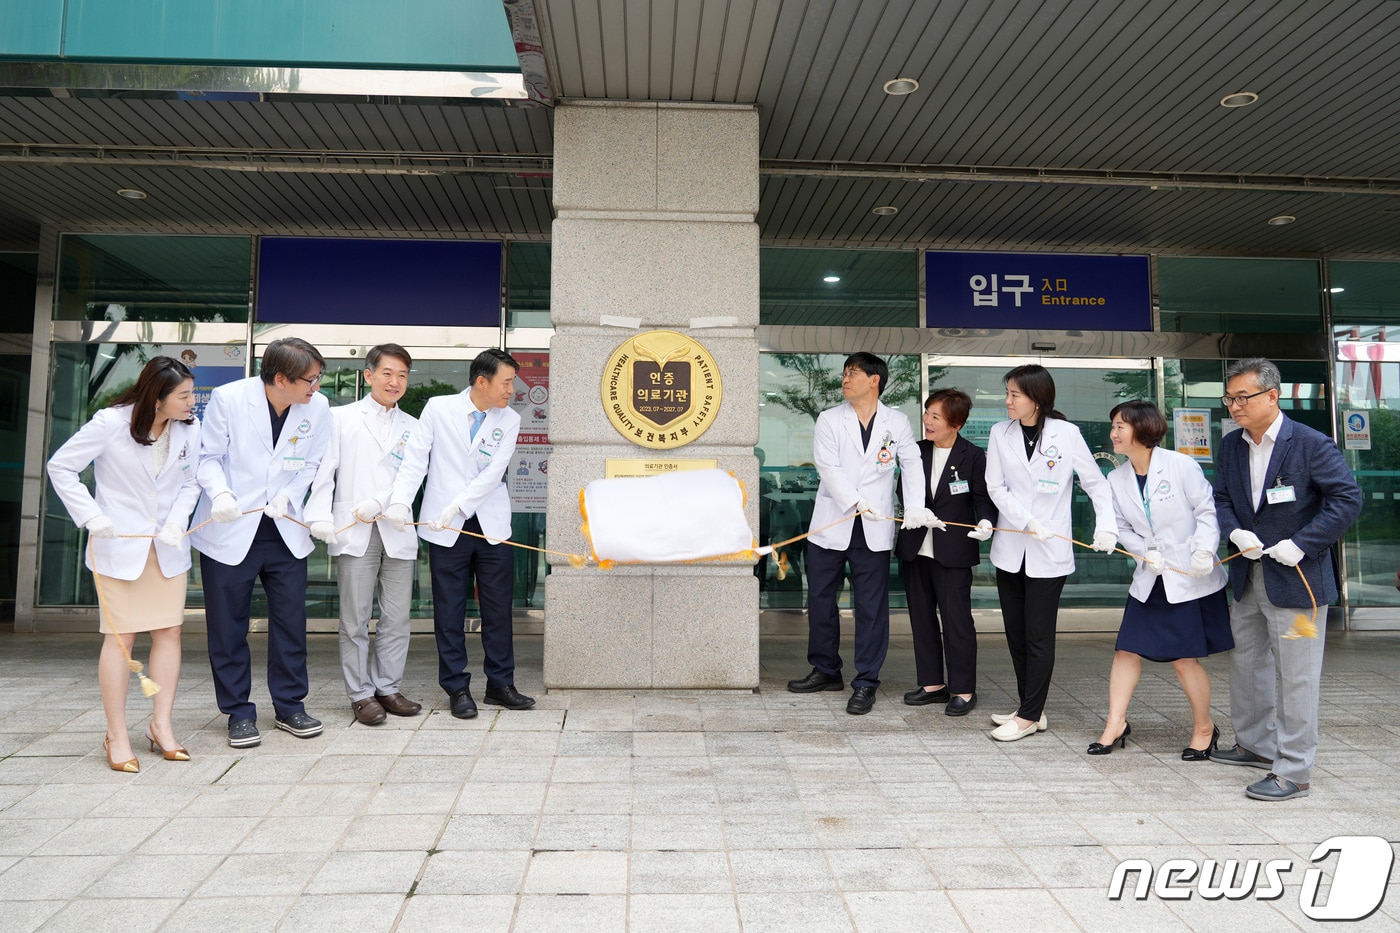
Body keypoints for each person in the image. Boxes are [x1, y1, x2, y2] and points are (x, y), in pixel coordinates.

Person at [1212, 357, 1362, 801]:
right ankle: (1255, 745)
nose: (1235, 406)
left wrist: (1303, 542)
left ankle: (1294, 769)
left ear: (1272, 397)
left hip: (1299, 583)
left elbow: (1346, 500)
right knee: (1247, 665)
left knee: (1297, 675)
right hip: (1248, 576)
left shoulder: (1310, 444)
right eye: (1230, 398)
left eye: (1244, 397)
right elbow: (1221, 498)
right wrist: (1234, 530)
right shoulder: (1232, 445)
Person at [47, 356, 200, 771]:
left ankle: (160, 725)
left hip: (166, 547)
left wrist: (175, 523)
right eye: (184, 396)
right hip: (119, 547)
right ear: (157, 399)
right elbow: (60, 466)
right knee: (122, 639)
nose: (192, 402)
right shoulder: (109, 423)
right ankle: (116, 734)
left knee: (169, 630)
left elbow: (191, 480)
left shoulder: (189, 427)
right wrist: (92, 516)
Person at [191, 337, 331, 748]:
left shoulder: (317, 408)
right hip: (231, 527)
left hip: (284, 529)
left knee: (291, 624)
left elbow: (310, 463)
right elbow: (208, 458)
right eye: (310, 379)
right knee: (227, 626)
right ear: (281, 378)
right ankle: (238, 712)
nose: (316, 388)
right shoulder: (229, 399)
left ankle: (290, 706)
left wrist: (290, 495)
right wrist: (220, 494)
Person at [386, 349, 535, 719]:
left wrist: (459, 505)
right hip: (444, 527)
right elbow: (415, 460)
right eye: (506, 381)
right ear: (481, 382)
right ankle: (457, 687)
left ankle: (500, 684)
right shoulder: (438, 408)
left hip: (490, 526)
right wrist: (401, 503)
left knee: (498, 610)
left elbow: (492, 473)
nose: (511, 390)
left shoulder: (510, 419)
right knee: (449, 611)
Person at [1090, 400, 1232, 757]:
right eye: (1113, 426)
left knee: (1184, 658)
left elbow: (1206, 511)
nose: (1114, 433)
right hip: (1150, 575)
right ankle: (1115, 724)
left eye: (1121, 426)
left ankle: (1204, 728)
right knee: (1126, 650)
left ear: (1144, 428)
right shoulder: (1116, 477)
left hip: (1188, 573)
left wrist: (1203, 550)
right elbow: (1121, 525)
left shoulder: (1181, 465)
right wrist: (1142, 551)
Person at [787, 352, 925, 715]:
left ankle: (866, 682)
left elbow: (911, 465)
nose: (845, 379)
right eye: (845, 373)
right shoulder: (829, 419)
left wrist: (914, 507)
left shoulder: (897, 421)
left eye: (853, 373)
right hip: (832, 524)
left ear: (874, 380)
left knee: (870, 608)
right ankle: (826, 669)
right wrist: (856, 501)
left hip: (874, 529)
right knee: (820, 600)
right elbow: (828, 468)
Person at [985, 364, 1117, 741]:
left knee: (1038, 634)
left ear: (1037, 399)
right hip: (1011, 545)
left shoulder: (1067, 433)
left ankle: (1027, 716)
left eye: (1015, 395)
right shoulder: (1000, 433)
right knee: (1015, 633)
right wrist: (1026, 521)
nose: (1007, 401)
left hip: (1050, 550)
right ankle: (1032, 706)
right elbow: (996, 488)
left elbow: (1096, 483)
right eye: (1007, 393)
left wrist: (1105, 526)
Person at [306, 344, 423, 726]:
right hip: (355, 529)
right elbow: (325, 473)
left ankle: (388, 687)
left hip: (396, 529)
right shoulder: (340, 418)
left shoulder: (413, 426)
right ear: (369, 375)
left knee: (396, 617)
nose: (395, 382)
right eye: (388, 373)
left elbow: (412, 477)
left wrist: (385, 501)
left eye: (402, 375)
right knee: (355, 619)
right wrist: (319, 517)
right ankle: (360, 693)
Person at [894, 388, 996, 717]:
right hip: (915, 547)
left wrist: (985, 521)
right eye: (926, 413)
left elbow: (982, 497)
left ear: (957, 423)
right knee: (921, 619)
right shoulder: (916, 452)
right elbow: (902, 487)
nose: (927, 421)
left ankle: (963, 689)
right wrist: (917, 509)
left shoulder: (974, 456)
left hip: (953, 550)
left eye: (935, 416)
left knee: (956, 622)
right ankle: (932, 685)